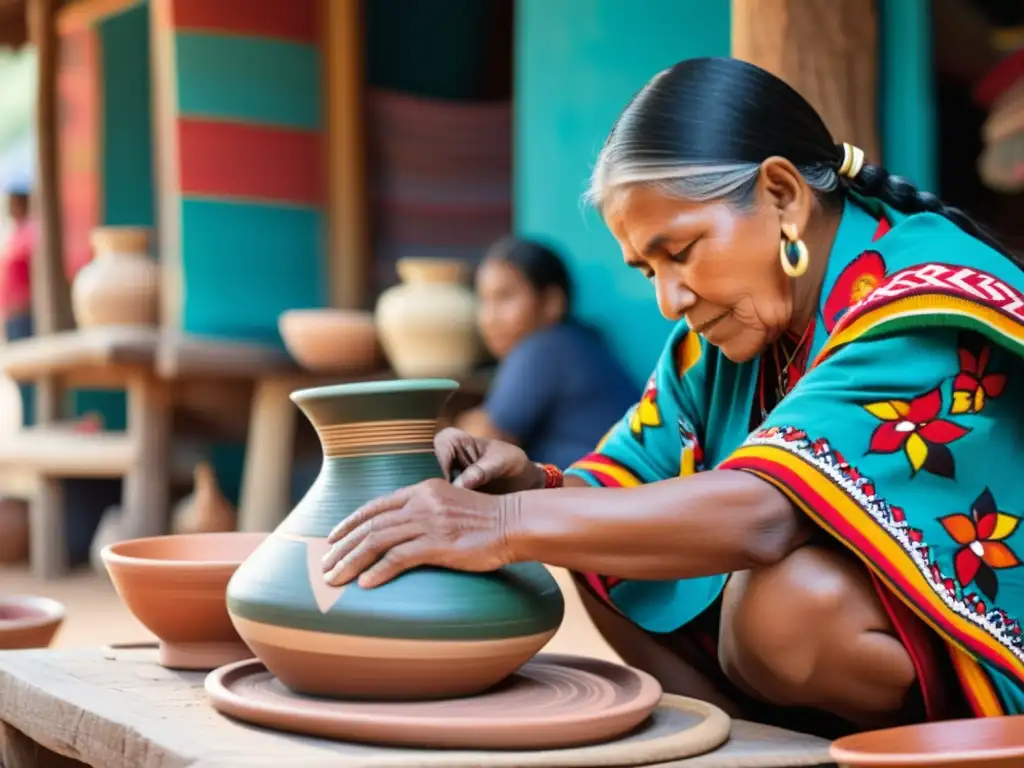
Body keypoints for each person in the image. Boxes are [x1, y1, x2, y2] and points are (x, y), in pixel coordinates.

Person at [321, 58, 1024, 736]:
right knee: (602, 549)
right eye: (647, 268)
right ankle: (751, 750)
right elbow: (624, 478)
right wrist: (535, 482)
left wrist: (500, 523)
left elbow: (759, 518)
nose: (667, 299)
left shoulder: (921, 298)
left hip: (997, 673)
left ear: (782, 196)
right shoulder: (721, 339)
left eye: (681, 252)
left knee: (782, 608)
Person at [456, 236, 636, 469]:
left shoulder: (545, 348)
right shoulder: (578, 343)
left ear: (551, 302)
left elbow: (484, 442)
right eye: (484, 299)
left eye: (505, 297)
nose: (489, 317)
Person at [0, 185, 36, 423]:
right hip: (12, 314)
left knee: (27, 372)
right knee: (17, 371)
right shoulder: (15, 234)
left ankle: (32, 420)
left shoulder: (31, 233)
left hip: (23, 314)